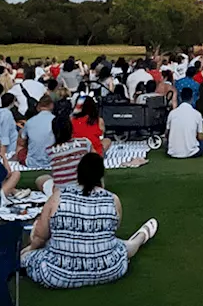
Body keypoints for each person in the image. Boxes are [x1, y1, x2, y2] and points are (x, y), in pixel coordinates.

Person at [21, 152, 158, 289]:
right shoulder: (112, 200)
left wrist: (30, 250)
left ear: (78, 174)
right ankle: (141, 237)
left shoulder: (58, 197)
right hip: (108, 270)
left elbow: (40, 237)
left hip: (57, 275)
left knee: (26, 256)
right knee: (121, 247)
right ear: (101, 175)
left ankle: (140, 238)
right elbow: (111, 232)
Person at [36, 114, 94, 195]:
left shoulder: (49, 150)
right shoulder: (84, 142)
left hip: (61, 194)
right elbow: (97, 162)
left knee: (41, 179)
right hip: (86, 188)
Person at [167, 88, 203, 158]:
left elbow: (167, 134)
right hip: (192, 152)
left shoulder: (172, 113)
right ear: (191, 98)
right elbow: (200, 138)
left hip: (173, 152)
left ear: (180, 98)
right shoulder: (197, 114)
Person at [22, 95, 56, 167]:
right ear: (51, 105)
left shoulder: (30, 121)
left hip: (32, 162)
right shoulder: (56, 121)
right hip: (52, 161)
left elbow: (22, 139)